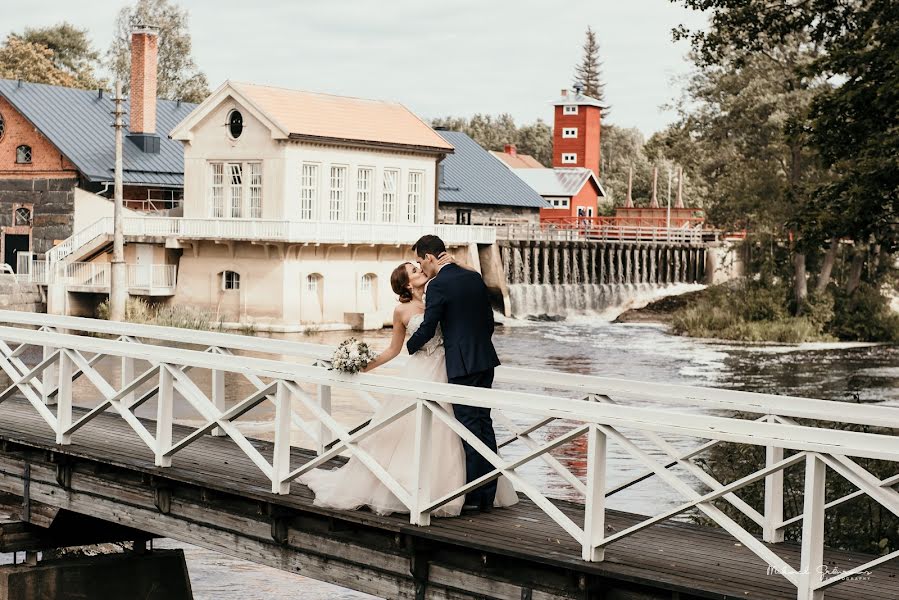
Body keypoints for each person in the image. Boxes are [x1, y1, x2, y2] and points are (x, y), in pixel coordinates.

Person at [299, 259, 517, 517]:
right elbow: (394, 350)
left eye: (419, 266)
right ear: (406, 284)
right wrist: (362, 365)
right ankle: (410, 490)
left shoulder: (439, 294)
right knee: (416, 427)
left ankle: (466, 490)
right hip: (422, 372)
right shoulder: (402, 311)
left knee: (460, 429)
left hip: (451, 369)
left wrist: (456, 262)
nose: (420, 270)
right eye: (414, 271)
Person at [406, 235, 503, 512]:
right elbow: (488, 321)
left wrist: (410, 346)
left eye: (421, 262)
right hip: (485, 359)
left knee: (469, 429)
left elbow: (428, 326)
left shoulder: (438, 285)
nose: (422, 269)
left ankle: (474, 496)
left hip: (462, 364)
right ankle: (488, 493)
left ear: (428, 257)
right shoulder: (472, 277)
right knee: (484, 425)